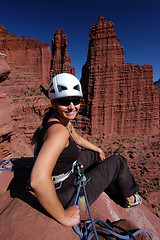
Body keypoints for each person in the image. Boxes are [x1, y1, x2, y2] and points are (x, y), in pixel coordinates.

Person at [30, 73, 141, 227]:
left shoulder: (60, 120)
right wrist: (64, 216)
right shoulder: (59, 132)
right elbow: (37, 181)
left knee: (94, 155)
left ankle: (108, 182)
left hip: (65, 178)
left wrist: (99, 149)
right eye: (64, 101)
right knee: (117, 161)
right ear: (53, 103)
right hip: (68, 196)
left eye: (75, 100)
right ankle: (128, 198)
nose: (71, 106)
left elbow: (78, 139)